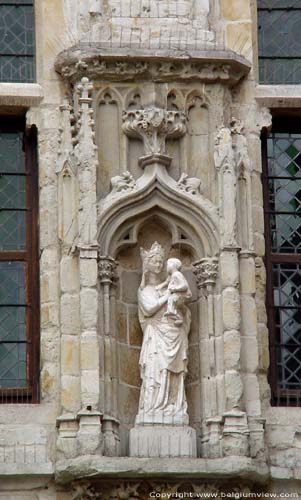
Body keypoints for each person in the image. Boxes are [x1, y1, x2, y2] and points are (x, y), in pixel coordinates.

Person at [136, 242, 191, 426]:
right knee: (155, 372)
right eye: (156, 262)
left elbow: (182, 306)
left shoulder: (166, 284)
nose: (159, 265)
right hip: (156, 336)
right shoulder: (145, 290)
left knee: (173, 371)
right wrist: (168, 296)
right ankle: (153, 408)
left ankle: (173, 407)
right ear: (147, 264)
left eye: (161, 262)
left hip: (173, 333)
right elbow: (150, 308)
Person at [156, 258, 192, 326]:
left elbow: (184, 286)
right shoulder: (172, 275)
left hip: (184, 294)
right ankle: (177, 317)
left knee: (171, 298)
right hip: (177, 293)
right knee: (171, 299)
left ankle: (172, 312)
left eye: (168, 264)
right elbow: (167, 283)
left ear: (173, 265)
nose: (166, 267)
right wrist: (160, 287)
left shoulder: (176, 274)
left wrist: (174, 289)